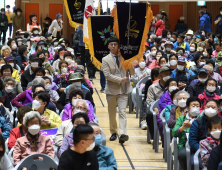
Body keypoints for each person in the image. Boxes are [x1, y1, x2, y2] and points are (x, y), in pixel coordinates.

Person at [102, 37, 134, 144]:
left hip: (124, 89)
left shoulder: (125, 57)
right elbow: (107, 75)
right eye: (111, 44)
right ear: (108, 46)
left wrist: (131, 61)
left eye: (115, 44)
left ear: (118, 46)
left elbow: (132, 73)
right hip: (111, 90)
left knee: (122, 111)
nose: (113, 46)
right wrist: (121, 79)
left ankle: (123, 134)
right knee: (112, 113)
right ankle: (113, 132)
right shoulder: (105, 59)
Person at [189, 99, 220, 170]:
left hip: (219, 151)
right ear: (204, 108)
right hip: (201, 151)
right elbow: (192, 141)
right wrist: (203, 151)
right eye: (208, 107)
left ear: (218, 109)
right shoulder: (197, 122)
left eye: (213, 107)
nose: (210, 109)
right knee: (195, 163)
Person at [172, 97, 201, 170]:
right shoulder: (181, 118)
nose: (195, 108)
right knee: (182, 155)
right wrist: (182, 127)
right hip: (184, 144)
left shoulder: (202, 118)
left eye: (197, 106)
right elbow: (174, 132)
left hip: (199, 144)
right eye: (193, 106)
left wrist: (192, 126)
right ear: (187, 107)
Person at [146, 66, 171, 143]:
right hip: (158, 109)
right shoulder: (152, 87)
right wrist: (154, 107)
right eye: (165, 74)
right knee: (150, 115)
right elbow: (149, 100)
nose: (168, 76)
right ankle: (154, 137)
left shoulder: (172, 86)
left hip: (170, 108)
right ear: (160, 76)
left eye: (169, 74)